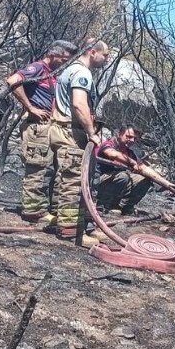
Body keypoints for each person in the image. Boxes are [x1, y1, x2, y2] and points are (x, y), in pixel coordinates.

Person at [6, 40, 78, 222]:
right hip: (37, 127)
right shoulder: (37, 68)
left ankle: (47, 209)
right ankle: (32, 212)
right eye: (64, 58)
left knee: (52, 168)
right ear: (53, 54)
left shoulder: (51, 74)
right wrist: (30, 108)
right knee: (37, 168)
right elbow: (13, 81)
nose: (65, 62)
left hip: (49, 127)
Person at [52, 38, 111, 240]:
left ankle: (82, 226)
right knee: (73, 182)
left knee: (77, 180)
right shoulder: (82, 73)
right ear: (92, 52)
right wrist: (91, 132)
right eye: (105, 54)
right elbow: (78, 104)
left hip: (64, 130)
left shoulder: (70, 70)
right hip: (73, 132)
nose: (107, 58)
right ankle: (69, 232)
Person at [96, 124, 175, 215]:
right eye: (129, 137)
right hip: (97, 182)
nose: (132, 140)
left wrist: (167, 184)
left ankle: (125, 207)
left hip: (117, 183)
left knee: (145, 179)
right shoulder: (109, 144)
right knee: (123, 176)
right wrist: (132, 162)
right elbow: (113, 154)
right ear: (119, 134)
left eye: (134, 138)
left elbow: (144, 168)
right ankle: (103, 205)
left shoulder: (129, 153)